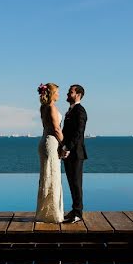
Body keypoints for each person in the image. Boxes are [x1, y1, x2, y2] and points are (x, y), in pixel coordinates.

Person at [36, 82, 64, 223]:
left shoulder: (43, 107)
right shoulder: (51, 107)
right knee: (52, 177)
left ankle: (45, 212)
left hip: (44, 141)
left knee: (47, 176)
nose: (59, 94)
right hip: (51, 143)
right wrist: (64, 145)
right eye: (57, 92)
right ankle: (52, 215)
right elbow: (56, 129)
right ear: (52, 93)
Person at [60, 84, 87, 223]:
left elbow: (78, 133)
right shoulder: (71, 111)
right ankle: (74, 210)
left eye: (70, 92)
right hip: (69, 153)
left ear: (78, 94)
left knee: (76, 183)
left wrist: (68, 148)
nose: (67, 94)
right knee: (71, 183)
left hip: (76, 153)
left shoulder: (80, 111)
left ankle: (78, 213)